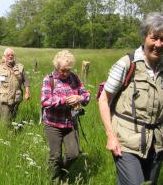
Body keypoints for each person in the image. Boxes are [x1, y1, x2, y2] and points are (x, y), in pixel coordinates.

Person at [98, 12, 163, 185]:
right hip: (125, 142)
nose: (158, 44)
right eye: (154, 38)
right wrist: (111, 136)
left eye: (162, 39)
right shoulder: (127, 64)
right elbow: (104, 99)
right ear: (144, 38)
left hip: (155, 145)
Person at [41, 50, 90, 182]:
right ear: (56, 67)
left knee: (74, 154)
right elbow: (45, 101)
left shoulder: (74, 78)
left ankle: (62, 173)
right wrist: (65, 100)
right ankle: (54, 180)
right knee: (55, 156)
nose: (66, 73)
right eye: (63, 70)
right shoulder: (49, 80)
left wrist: (79, 97)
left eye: (68, 70)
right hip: (53, 124)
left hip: (70, 124)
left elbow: (87, 95)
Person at [0, 48, 30, 125]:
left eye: (12, 55)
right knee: (5, 120)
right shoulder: (0, 68)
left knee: (13, 118)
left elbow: (26, 81)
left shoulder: (20, 68)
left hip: (16, 99)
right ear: (5, 56)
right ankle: (4, 133)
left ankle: (11, 132)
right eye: (8, 55)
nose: (10, 56)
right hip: (5, 99)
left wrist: (27, 92)